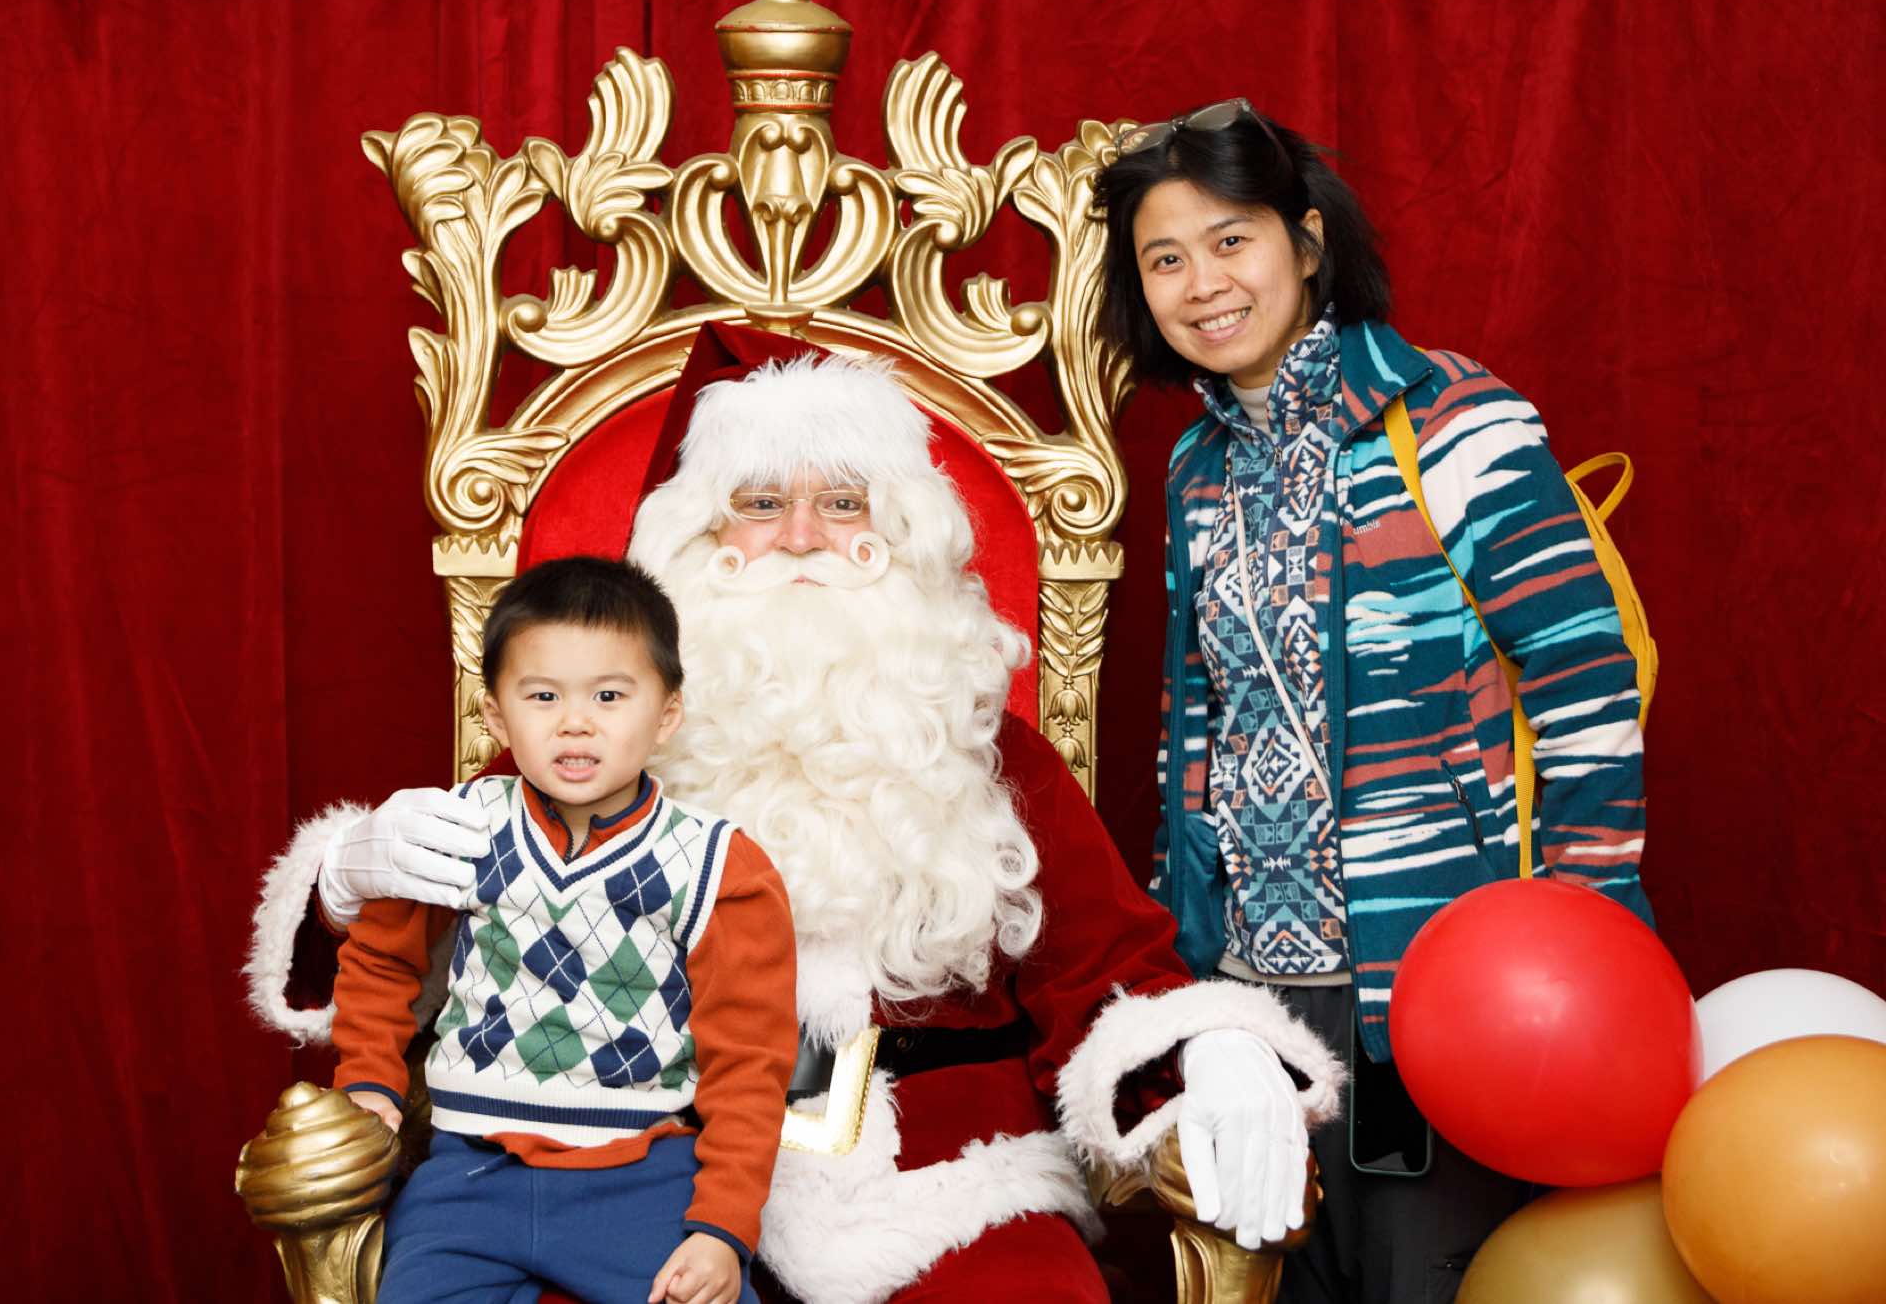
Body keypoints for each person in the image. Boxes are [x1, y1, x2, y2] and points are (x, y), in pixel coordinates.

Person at [245, 323, 1347, 1304]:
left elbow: (1110, 971)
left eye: (843, 502)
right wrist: (350, 875)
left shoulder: (985, 748)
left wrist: (1208, 1050)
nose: (806, 536)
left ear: (898, 530)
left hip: (943, 1180)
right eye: (763, 504)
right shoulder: (598, 733)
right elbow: (410, 942)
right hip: (638, 1168)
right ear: (699, 538)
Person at [1092, 99, 1653, 1303]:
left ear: (1304, 243)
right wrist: (1189, 976)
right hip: (1257, 1001)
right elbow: (1196, 728)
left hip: (1438, 976)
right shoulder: (1195, 469)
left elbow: (1581, 672)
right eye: (1164, 259)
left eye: (1229, 240)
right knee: (1287, 1279)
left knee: (1427, 1275)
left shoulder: (1448, 417)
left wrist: (1584, 932)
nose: (1202, 284)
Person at [329, 555, 796, 1304]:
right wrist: (366, 1077)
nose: (575, 722)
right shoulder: (455, 826)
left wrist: (723, 1228)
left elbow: (749, 1062)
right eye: (543, 695)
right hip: (467, 1175)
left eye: (610, 695)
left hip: (640, 1177)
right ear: (495, 716)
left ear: (667, 714)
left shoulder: (718, 864)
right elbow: (381, 957)